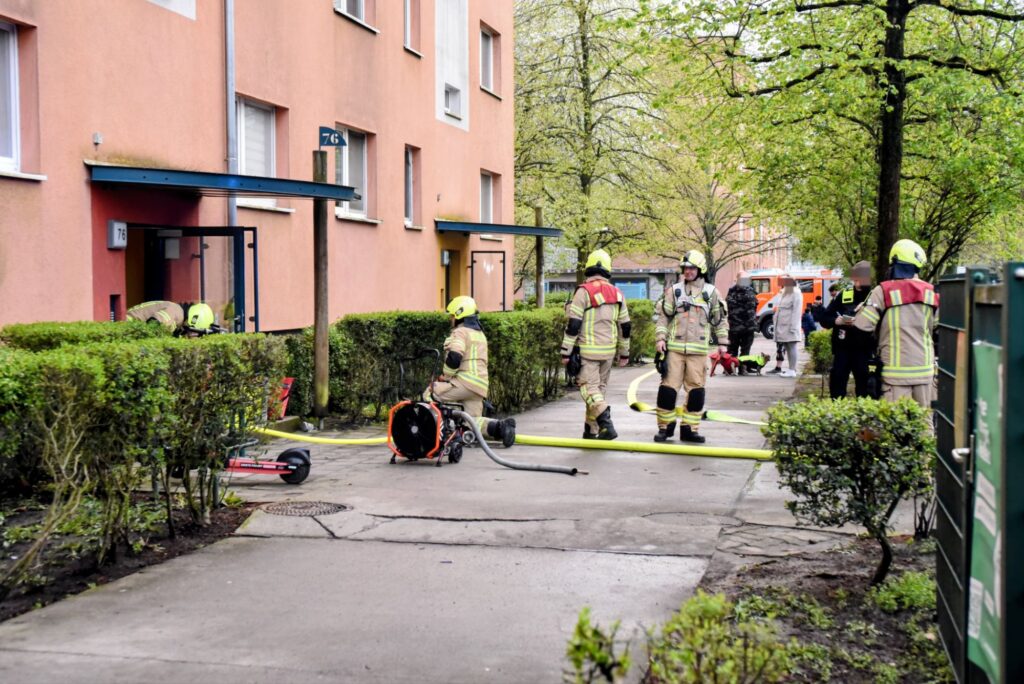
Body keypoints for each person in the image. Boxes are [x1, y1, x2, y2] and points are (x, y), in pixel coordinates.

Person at [653, 250, 728, 443]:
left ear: (700, 269)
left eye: (692, 268)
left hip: (698, 351)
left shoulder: (711, 293)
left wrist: (723, 343)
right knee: (668, 390)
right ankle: (665, 428)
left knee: (696, 392)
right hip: (675, 350)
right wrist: (660, 339)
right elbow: (663, 318)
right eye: (685, 268)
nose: (688, 271)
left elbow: (720, 321)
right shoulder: (674, 291)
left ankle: (689, 429)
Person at [853, 240, 939, 408]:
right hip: (925, 372)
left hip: (894, 375)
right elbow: (939, 333)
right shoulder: (932, 293)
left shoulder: (883, 291)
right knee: (923, 419)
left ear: (894, 262)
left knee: (894, 420)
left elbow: (861, 328)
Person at [560, 249, 631, 440]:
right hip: (608, 352)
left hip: (588, 351)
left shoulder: (583, 292)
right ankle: (591, 431)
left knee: (588, 389)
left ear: (588, 268)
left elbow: (573, 325)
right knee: (598, 390)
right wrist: (624, 353)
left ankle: (606, 422)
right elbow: (625, 326)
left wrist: (566, 352)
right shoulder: (617, 293)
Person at [427, 296, 516, 447]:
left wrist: (445, 377)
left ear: (459, 314)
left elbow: (455, 357)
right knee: (471, 421)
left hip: (465, 382)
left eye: (452, 315)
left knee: (430, 394)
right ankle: (501, 428)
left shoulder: (461, 332)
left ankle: (435, 434)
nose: (451, 319)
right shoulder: (480, 334)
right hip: (479, 386)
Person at [819, 261, 874, 398]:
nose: (856, 281)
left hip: (863, 350)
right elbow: (824, 318)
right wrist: (835, 321)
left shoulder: (874, 296)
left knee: (864, 389)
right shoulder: (844, 295)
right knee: (837, 385)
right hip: (842, 349)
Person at [770, 274, 803, 378]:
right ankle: (790, 369)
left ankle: (792, 370)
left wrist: (793, 327)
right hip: (783, 326)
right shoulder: (784, 292)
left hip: (790, 326)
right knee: (787, 347)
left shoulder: (796, 293)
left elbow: (797, 311)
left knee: (792, 346)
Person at [726, 271, 758, 362]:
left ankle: (740, 367)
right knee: (735, 352)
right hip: (737, 327)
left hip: (745, 328)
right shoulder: (750, 291)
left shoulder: (732, 291)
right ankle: (733, 367)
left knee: (742, 352)